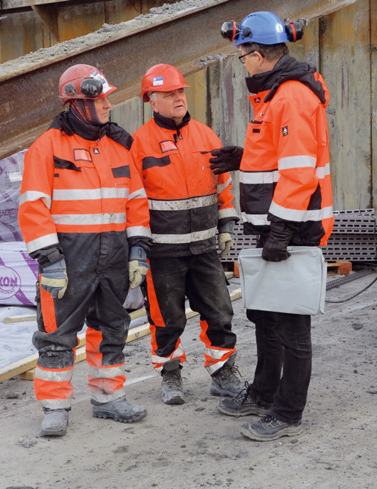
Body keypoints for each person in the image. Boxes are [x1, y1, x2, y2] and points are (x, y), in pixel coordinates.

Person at [213, 11, 334, 441]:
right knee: (265, 314)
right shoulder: (275, 95)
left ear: (258, 54)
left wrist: (282, 230)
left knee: (292, 324)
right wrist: (243, 158)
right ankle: (264, 392)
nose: (241, 62)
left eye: (242, 55)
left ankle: (286, 413)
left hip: (293, 228)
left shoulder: (291, 97)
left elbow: (299, 172)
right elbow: (278, 157)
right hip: (276, 226)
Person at [18, 64, 152, 437]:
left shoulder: (118, 147)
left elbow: (136, 203)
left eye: (107, 98)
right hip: (67, 257)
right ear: (77, 104)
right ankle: (55, 405)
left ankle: (109, 398)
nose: (108, 105)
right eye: (100, 99)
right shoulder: (47, 147)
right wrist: (50, 260)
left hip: (113, 254)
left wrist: (138, 250)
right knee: (57, 332)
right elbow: (32, 207)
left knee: (112, 327)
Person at [130, 63, 242, 406]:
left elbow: (222, 185)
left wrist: (225, 225)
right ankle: (171, 375)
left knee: (220, 313)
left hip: (205, 247)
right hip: (162, 251)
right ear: (152, 100)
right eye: (169, 94)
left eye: (180, 92)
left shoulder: (206, 136)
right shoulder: (139, 144)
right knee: (167, 319)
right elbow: (134, 200)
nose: (178, 98)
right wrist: (137, 248)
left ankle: (222, 373)